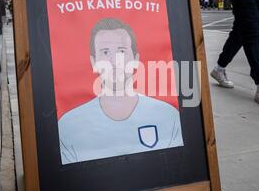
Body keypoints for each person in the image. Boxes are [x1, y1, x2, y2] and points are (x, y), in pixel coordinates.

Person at [58, 18, 183, 164]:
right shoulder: (68, 126)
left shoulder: (169, 116)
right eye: (105, 52)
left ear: (136, 59)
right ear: (94, 62)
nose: (114, 61)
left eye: (122, 51)